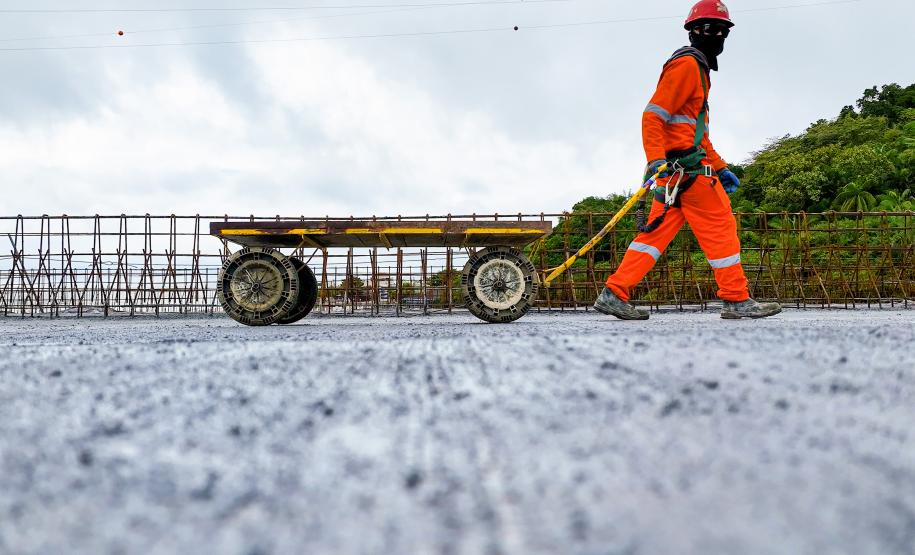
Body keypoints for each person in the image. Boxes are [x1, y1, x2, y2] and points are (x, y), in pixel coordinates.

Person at [593, 0, 781, 320]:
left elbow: (697, 135)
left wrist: (720, 167)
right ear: (693, 31)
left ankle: (614, 293)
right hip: (688, 173)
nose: (717, 35)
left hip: (676, 176)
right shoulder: (687, 66)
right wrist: (655, 159)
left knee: (652, 237)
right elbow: (653, 116)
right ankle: (736, 298)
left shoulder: (699, 71)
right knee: (722, 228)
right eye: (710, 29)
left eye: (722, 30)